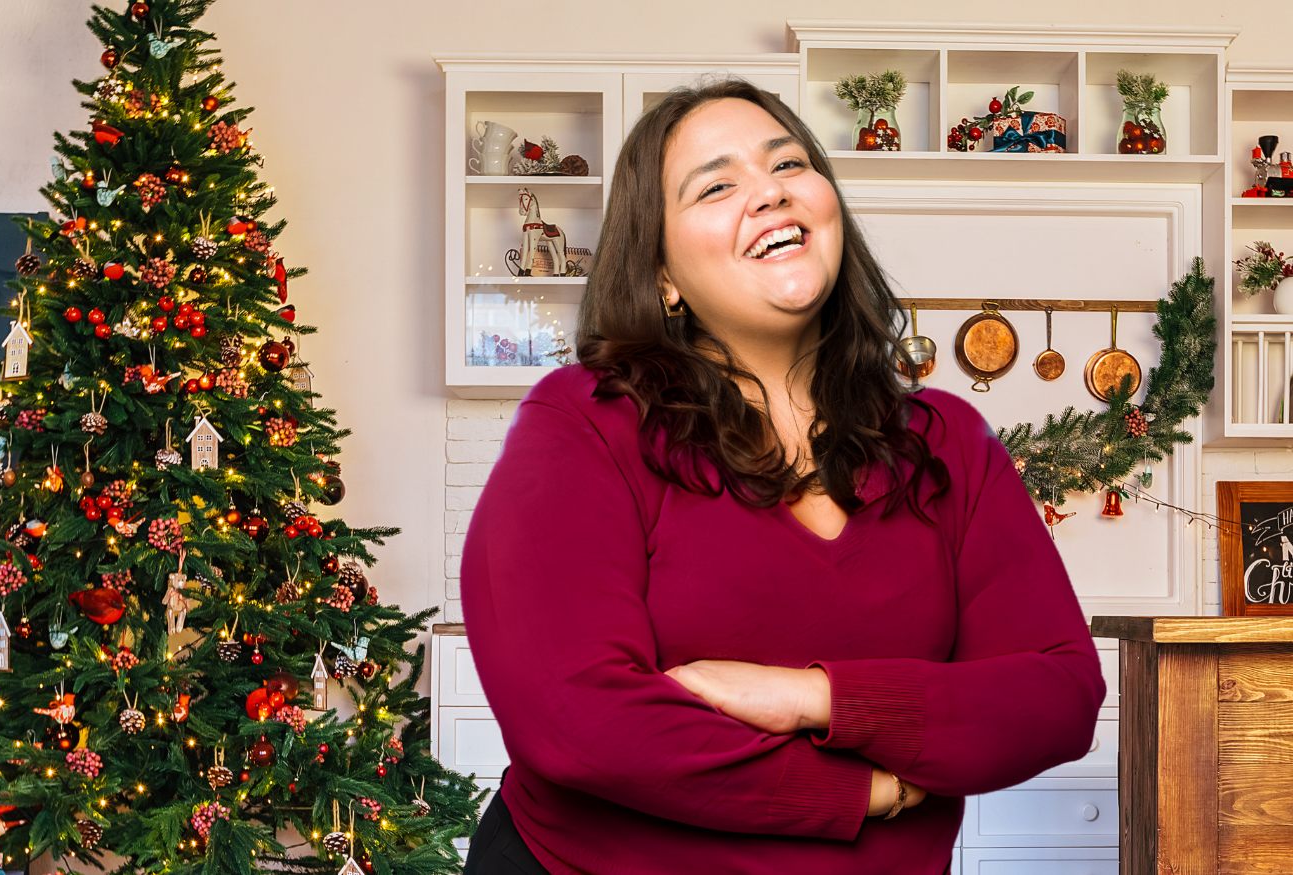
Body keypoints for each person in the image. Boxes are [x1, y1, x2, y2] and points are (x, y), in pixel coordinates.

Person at [459, 78, 1105, 875]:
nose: (769, 194)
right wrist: (870, 790)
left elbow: (1058, 697)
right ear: (662, 275)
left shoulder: (949, 442)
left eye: (789, 165)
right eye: (718, 185)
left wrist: (816, 697)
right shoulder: (584, 423)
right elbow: (573, 716)